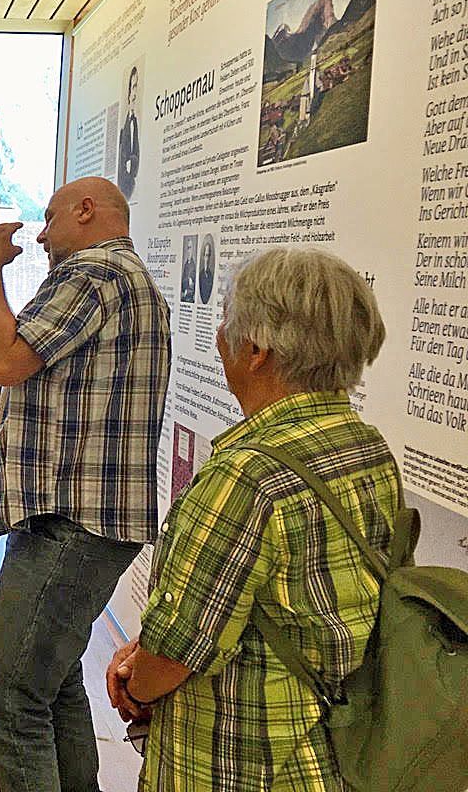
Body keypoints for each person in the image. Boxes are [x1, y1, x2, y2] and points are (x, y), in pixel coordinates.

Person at [107, 248, 397, 792]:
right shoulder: (365, 445)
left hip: (239, 760)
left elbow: (174, 654)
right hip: (329, 751)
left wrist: (133, 682)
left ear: (257, 349)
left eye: (226, 322)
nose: (220, 337)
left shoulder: (248, 474)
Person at [0, 176, 171, 792]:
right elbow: (37, 374)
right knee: (51, 689)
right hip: (91, 522)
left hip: (70, 523)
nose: (41, 233)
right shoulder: (130, 280)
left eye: (51, 217)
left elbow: (3, 359)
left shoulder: (93, 273)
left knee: (8, 704)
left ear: (85, 211)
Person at [118, 65, 141, 199]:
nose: (135, 93)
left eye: (137, 86)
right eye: (133, 87)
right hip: (125, 188)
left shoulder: (135, 123)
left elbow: (136, 153)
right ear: (128, 93)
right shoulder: (124, 127)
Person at [198, 234, 216, 304]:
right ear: (203, 256)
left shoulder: (210, 276)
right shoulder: (200, 275)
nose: (207, 259)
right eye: (206, 255)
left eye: (208, 255)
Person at [181, 236, 197, 304]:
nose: (188, 251)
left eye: (190, 248)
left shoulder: (193, 266)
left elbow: (191, 283)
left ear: (192, 249)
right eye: (188, 248)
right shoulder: (186, 265)